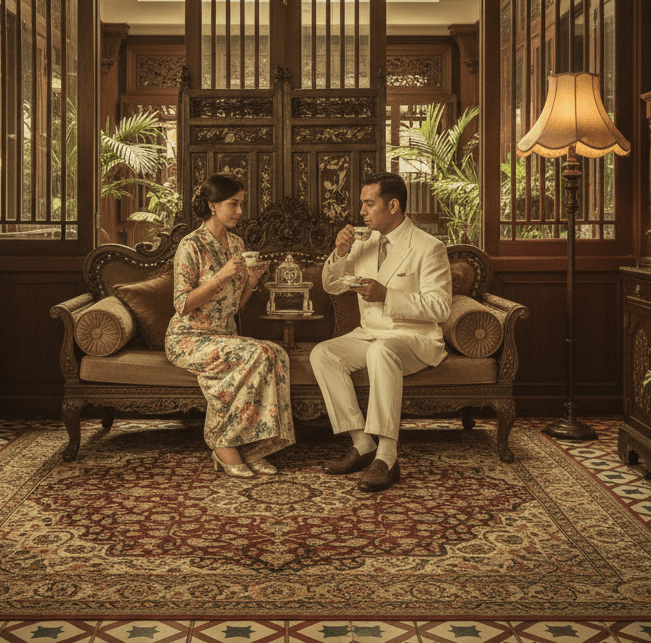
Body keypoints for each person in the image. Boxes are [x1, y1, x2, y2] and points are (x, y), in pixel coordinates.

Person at [310, 171, 451, 493]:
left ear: (393, 206)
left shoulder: (429, 247)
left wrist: (387, 295)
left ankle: (387, 456)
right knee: (324, 353)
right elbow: (332, 286)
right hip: (371, 333)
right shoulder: (364, 242)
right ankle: (362, 444)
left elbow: (441, 307)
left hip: (414, 338)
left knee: (381, 350)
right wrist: (340, 252)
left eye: (369, 204)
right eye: (362, 204)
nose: (361, 212)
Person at [165, 173, 294, 478]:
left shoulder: (236, 244)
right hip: (189, 337)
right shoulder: (191, 245)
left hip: (224, 334)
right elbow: (182, 304)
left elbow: (234, 308)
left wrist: (251, 282)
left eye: (241, 204)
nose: (239, 211)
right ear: (212, 205)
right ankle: (224, 444)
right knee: (258, 352)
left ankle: (251, 448)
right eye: (233, 204)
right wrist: (220, 276)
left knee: (276, 353)